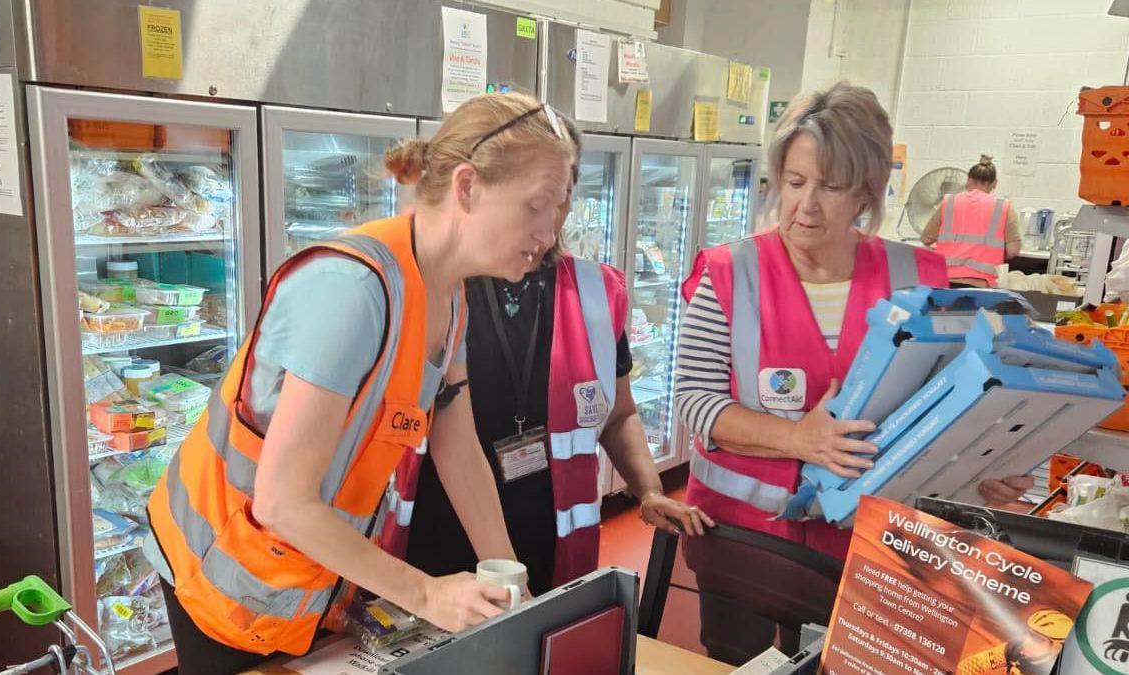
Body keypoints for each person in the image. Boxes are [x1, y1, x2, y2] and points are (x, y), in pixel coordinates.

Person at [143, 92, 579, 673]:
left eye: (560, 212)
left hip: (306, 579)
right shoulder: (354, 291)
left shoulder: (449, 294)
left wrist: (509, 581)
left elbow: (457, 442)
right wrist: (425, 595)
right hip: (223, 576)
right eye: (538, 206)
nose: (549, 233)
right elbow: (281, 500)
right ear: (468, 187)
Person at [673, 82, 1036, 664]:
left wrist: (980, 468)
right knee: (734, 660)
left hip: (870, 543)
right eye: (794, 183)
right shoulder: (729, 273)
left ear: (866, 192)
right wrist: (798, 440)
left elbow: (952, 402)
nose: (806, 205)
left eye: (831, 187)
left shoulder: (918, 276)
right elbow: (692, 399)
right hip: (743, 542)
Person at [398, 117, 714, 597]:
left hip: (553, 537)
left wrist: (649, 488)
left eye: (561, 199)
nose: (548, 226)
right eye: (536, 203)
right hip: (433, 536)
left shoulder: (597, 292)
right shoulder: (433, 286)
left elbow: (619, 412)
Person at [920, 155, 1023, 288]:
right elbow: (1013, 250)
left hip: (945, 281)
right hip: (981, 285)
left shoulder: (948, 202)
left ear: (968, 180)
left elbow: (926, 239)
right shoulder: (1004, 207)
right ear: (994, 183)